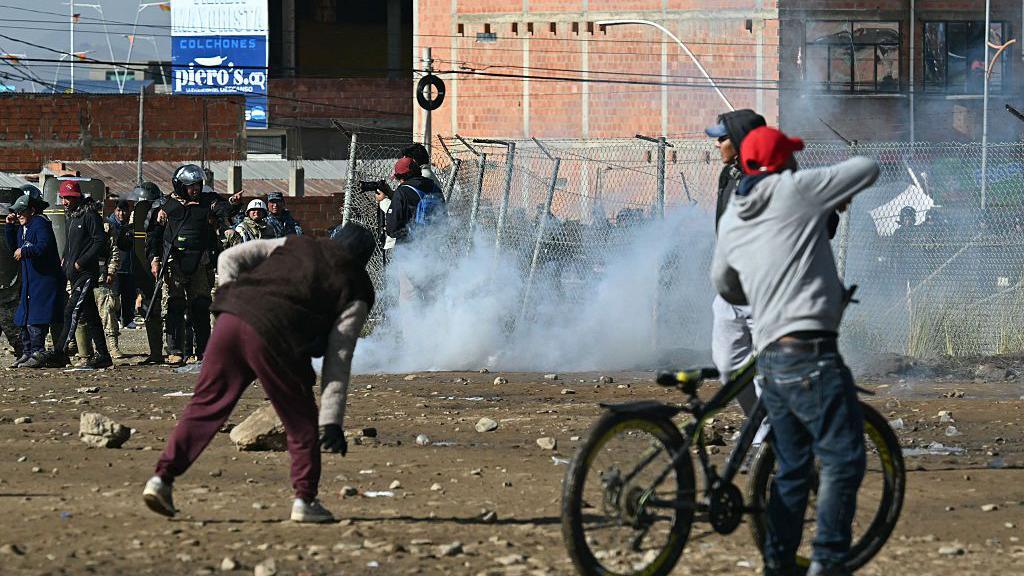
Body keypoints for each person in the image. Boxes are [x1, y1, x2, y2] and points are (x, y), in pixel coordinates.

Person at [712, 126, 879, 576]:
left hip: (770, 356)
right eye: (790, 157)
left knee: (791, 467)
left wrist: (764, 290)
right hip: (811, 354)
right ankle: (827, 561)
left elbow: (725, 283)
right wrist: (831, 195)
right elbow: (866, 167)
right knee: (843, 459)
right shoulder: (798, 189)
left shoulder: (736, 215)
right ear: (782, 163)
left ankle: (778, 562)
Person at [142, 225, 377, 523]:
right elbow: (338, 358)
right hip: (277, 336)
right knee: (300, 420)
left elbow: (228, 257)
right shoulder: (356, 287)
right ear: (364, 259)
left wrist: (227, 301)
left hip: (230, 321)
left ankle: (161, 479)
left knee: (204, 406)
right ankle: (305, 500)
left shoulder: (295, 243)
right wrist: (331, 421)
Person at [147, 165, 241, 365]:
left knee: (200, 306)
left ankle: (203, 351)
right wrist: (154, 259)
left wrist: (232, 204)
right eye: (190, 185)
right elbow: (154, 236)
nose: (195, 189)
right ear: (180, 185)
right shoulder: (165, 205)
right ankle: (175, 351)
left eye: (198, 184)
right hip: (174, 263)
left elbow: (223, 209)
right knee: (175, 306)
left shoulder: (208, 201)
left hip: (201, 262)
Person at [704, 110, 766, 414]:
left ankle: (768, 434)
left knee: (767, 374)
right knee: (729, 370)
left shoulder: (772, 176)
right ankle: (761, 423)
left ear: (741, 141)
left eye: (723, 139)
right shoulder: (727, 175)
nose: (717, 145)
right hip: (731, 290)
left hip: (766, 291)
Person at [50, 181, 112, 369]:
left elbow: (99, 241)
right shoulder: (71, 216)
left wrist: (80, 262)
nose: (65, 201)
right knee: (91, 315)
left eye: (69, 198)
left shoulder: (89, 215)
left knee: (71, 311)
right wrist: (65, 259)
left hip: (85, 273)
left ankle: (60, 353)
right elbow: (70, 243)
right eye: (63, 198)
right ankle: (103, 355)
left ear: (77, 198)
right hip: (73, 273)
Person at [5, 193, 64, 368]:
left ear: (32, 210)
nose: (18, 215)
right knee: (23, 316)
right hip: (30, 280)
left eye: (21, 211)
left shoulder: (40, 223)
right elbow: (14, 248)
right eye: (16, 212)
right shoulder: (24, 227)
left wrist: (24, 252)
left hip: (44, 280)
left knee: (37, 317)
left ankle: (38, 352)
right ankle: (28, 351)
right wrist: (9, 227)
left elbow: (43, 246)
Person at [92, 197, 123, 359]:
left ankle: (112, 346)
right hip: (84, 275)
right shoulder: (78, 224)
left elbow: (114, 251)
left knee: (108, 311)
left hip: (102, 275)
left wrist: (111, 271)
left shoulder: (107, 227)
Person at [0, 201, 23, 362]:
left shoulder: (11, 231)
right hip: (9, 284)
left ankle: (23, 353)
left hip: (8, 286)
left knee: (11, 325)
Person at [108, 200, 137, 329]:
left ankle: (128, 319)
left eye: (124, 211)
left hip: (129, 266)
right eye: (119, 210)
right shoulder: (111, 225)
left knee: (129, 294)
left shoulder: (132, 225)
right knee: (114, 296)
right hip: (116, 266)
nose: (121, 214)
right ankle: (115, 319)